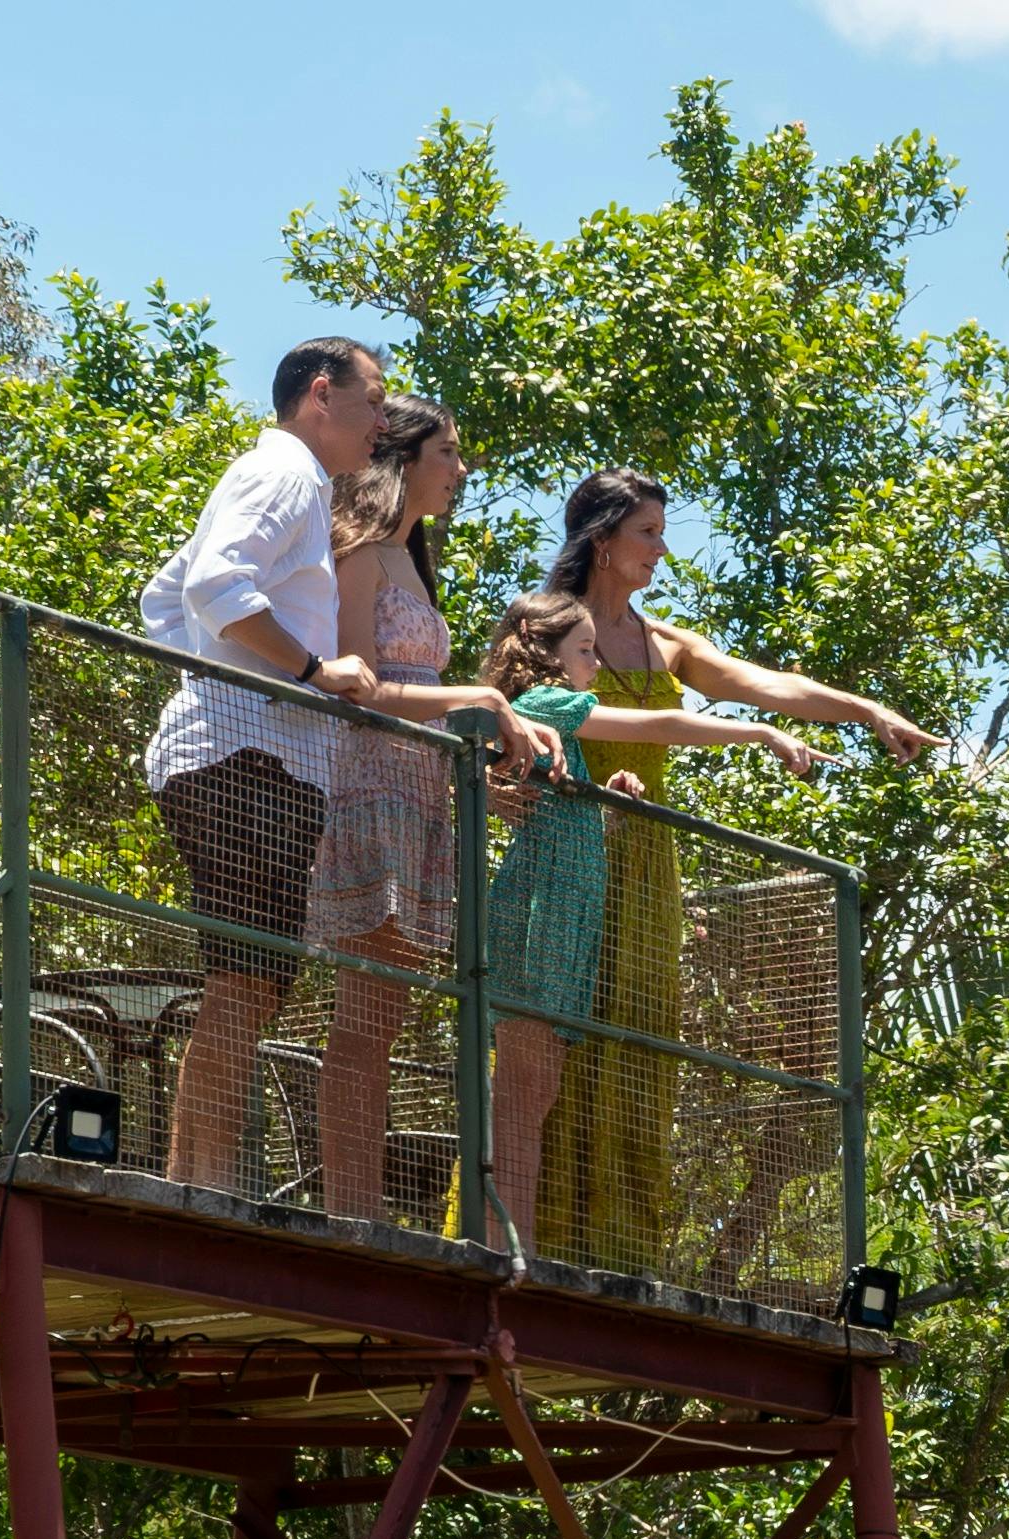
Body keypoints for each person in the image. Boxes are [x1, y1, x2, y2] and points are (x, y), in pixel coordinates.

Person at [532, 468, 940, 1278]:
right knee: (552, 1041)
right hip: (567, 857)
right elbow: (505, 729)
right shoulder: (549, 632)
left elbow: (765, 686)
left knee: (642, 1045)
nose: (661, 547)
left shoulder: (665, 644)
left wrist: (866, 710)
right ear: (604, 539)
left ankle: (617, 1256)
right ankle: (533, 1234)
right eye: (647, 531)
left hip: (647, 876)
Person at [473, 590, 820, 1256]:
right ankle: (500, 1245)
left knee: (537, 1085)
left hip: (568, 918)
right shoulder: (545, 704)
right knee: (522, 1088)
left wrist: (604, 794)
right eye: (583, 652)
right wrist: (758, 729)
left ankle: (510, 1239)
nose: (594, 667)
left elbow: (556, 807)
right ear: (546, 656)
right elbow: (661, 724)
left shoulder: (555, 726)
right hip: (542, 914)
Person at [135, 335, 386, 1193]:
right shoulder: (285, 474)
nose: (381, 424)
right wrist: (314, 672)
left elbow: (164, 600)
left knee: (248, 979)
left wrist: (218, 669)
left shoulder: (290, 483)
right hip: (248, 755)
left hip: (241, 748)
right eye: (374, 402)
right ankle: (199, 1187)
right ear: (323, 394)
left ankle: (196, 1180)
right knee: (247, 980)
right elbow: (212, 587)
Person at [306, 402, 561, 1221]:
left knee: (386, 1012)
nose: (460, 470)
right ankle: (351, 1205)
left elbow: (427, 701)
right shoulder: (361, 553)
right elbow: (363, 687)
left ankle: (360, 1200)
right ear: (403, 458)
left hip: (425, 797)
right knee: (365, 1007)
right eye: (448, 452)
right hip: (369, 788)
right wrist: (488, 696)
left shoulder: (414, 564)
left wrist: (487, 765)